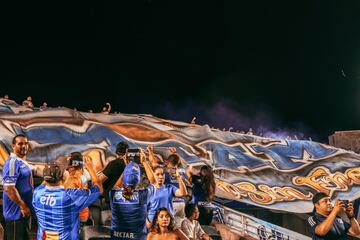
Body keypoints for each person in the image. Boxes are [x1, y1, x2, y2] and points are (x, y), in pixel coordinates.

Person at [32, 156, 102, 240]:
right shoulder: (70, 196)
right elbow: (98, 189)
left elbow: (46, 182)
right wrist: (91, 168)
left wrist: (53, 171)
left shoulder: (37, 193)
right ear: (62, 176)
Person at [2, 134, 42, 240]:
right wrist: (22, 206)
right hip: (16, 214)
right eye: (20, 144)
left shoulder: (22, 162)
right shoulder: (12, 163)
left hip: (23, 213)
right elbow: (9, 188)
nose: (24, 146)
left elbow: (35, 168)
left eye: (25, 143)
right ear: (13, 146)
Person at [110, 150, 154, 240]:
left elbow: (117, 186)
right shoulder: (143, 195)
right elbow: (154, 182)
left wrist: (127, 169)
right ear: (138, 179)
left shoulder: (113, 194)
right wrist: (145, 162)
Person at [63, 152, 92, 224]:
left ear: (73, 165)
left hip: (76, 216)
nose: (66, 168)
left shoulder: (73, 179)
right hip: (83, 214)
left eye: (68, 162)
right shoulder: (82, 177)